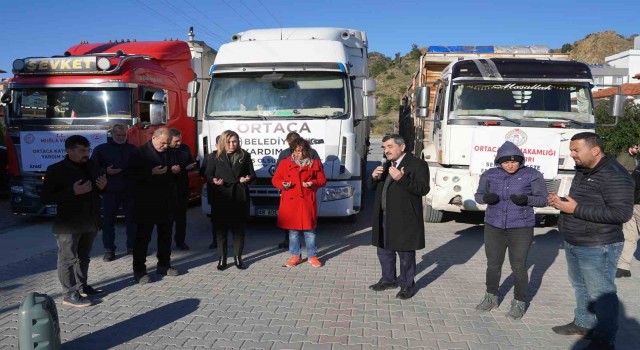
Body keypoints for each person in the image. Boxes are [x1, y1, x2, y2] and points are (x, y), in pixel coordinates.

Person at [549, 132, 633, 350]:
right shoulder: (585, 170)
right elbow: (585, 202)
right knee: (580, 286)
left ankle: (605, 340)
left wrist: (575, 208)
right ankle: (583, 324)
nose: (572, 154)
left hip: (599, 244)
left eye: (576, 150)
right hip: (576, 239)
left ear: (594, 150)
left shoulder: (615, 175)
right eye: (571, 149)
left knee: (601, 293)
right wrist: (562, 203)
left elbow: (621, 214)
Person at [473, 141, 548, 320]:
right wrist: (486, 198)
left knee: (519, 267)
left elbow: (543, 200)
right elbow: (478, 195)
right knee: (493, 265)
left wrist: (527, 199)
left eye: (514, 161)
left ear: (521, 160)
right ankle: (491, 297)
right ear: (499, 161)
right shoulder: (490, 174)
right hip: (494, 226)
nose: (510, 165)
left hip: (521, 227)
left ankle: (519, 303)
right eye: (506, 162)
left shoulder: (532, 174)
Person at [42, 135, 108, 307]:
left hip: (90, 220)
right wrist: (72, 191)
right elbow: (46, 197)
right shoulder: (56, 169)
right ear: (69, 151)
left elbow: (98, 191)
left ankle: (82, 286)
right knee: (67, 259)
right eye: (82, 150)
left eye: (88, 150)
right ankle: (69, 294)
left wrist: (103, 187)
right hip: (69, 224)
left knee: (84, 257)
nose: (86, 153)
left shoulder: (92, 166)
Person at [368, 134, 430, 300]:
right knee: (384, 251)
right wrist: (373, 177)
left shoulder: (418, 164)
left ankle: (407, 285)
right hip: (384, 216)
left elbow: (423, 189)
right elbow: (375, 188)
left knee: (405, 255)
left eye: (390, 146)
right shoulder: (387, 164)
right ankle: (388, 279)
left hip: (404, 218)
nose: (386, 150)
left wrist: (401, 179)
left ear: (402, 147)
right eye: (384, 147)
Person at [128, 128, 180, 284]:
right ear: (154, 138)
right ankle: (139, 271)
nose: (165, 146)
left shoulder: (170, 152)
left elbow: (172, 175)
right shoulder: (139, 153)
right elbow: (130, 176)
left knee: (165, 235)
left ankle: (164, 264)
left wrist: (175, 171)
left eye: (167, 143)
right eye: (163, 143)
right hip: (146, 203)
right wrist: (150, 172)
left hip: (166, 202)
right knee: (143, 238)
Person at [205, 130, 255, 270]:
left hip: (239, 197)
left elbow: (252, 174)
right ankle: (222, 259)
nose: (232, 145)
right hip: (221, 197)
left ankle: (238, 258)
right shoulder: (214, 156)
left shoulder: (244, 155)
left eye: (235, 141)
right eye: (229, 142)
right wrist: (213, 180)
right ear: (222, 142)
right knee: (221, 230)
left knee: (239, 230)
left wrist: (247, 178)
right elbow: (208, 174)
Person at [273, 138, 327, 268]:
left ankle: (312, 256)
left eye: (303, 151)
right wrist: (283, 184)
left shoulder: (314, 163)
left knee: (310, 231)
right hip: (291, 201)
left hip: (307, 201)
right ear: (293, 150)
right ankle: (295, 255)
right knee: (293, 231)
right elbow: (275, 179)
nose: (300, 154)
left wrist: (312, 183)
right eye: (297, 151)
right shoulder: (285, 163)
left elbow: (322, 180)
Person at [90, 123, 136, 262]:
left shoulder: (133, 149)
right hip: (110, 191)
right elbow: (92, 169)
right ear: (112, 134)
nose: (121, 137)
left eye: (123, 135)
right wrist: (106, 171)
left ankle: (132, 247)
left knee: (132, 221)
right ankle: (109, 250)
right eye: (118, 135)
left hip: (129, 190)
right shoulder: (101, 149)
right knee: (108, 222)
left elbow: (141, 168)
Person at [168, 128, 197, 251]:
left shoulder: (185, 148)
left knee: (181, 218)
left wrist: (190, 166)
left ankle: (180, 241)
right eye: (176, 141)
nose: (179, 143)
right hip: (168, 189)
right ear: (169, 140)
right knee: (167, 219)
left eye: (180, 140)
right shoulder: (164, 150)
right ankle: (166, 242)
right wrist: (171, 170)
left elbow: (191, 162)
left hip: (182, 188)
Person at [616, 161, 640, 278]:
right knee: (629, 236)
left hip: (632, 203)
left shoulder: (638, 166)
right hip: (634, 204)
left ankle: (623, 267)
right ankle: (623, 267)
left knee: (629, 236)